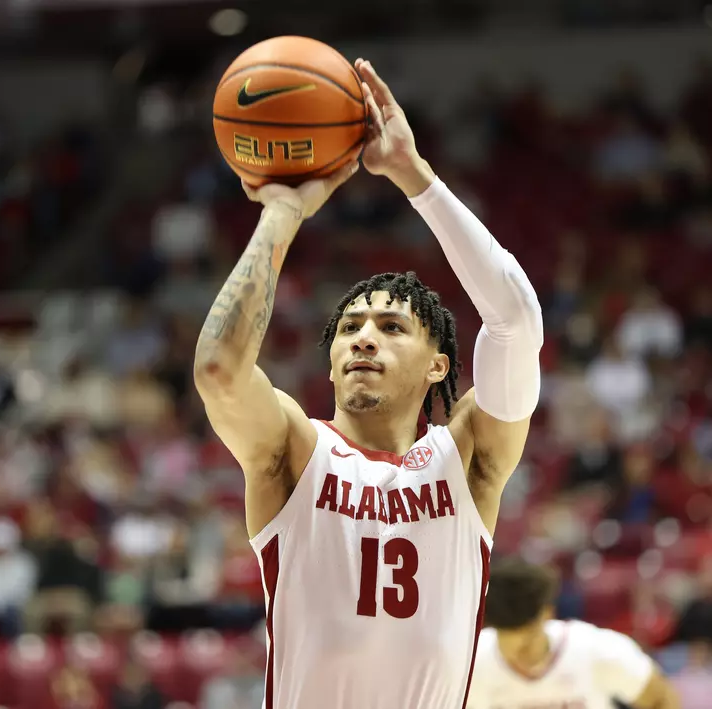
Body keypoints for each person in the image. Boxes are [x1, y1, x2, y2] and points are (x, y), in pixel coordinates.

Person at [193, 57, 544, 709]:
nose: (362, 336)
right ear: (328, 362)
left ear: (439, 363)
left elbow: (517, 320)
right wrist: (284, 209)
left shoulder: (466, 458)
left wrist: (414, 175)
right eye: (350, 326)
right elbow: (218, 369)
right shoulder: (295, 451)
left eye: (391, 325)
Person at [468, 557, 680, 709]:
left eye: (528, 642)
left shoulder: (596, 649)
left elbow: (660, 699)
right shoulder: (470, 666)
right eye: (512, 647)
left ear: (547, 613)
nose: (523, 654)